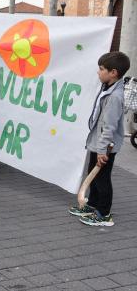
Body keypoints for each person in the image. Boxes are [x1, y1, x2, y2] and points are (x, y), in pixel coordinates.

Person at [68, 51, 130, 227]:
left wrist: (103, 151)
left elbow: (108, 126)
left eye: (102, 69)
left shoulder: (115, 96)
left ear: (114, 73)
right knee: (93, 175)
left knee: (102, 179)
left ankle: (104, 214)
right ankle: (92, 205)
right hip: (98, 143)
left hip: (105, 146)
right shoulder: (107, 88)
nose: (98, 72)